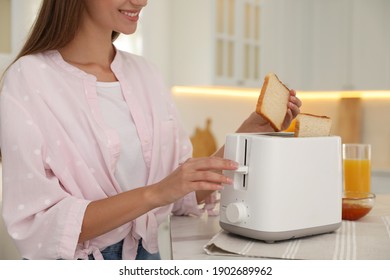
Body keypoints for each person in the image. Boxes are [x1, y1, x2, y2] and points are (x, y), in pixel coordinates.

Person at [0, 0, 301, 260]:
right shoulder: (28, 79)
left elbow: (180, 194)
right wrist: (156, 193)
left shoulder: (145, 73)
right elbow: (37, 225)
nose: (141, 1)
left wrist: (247, 132)